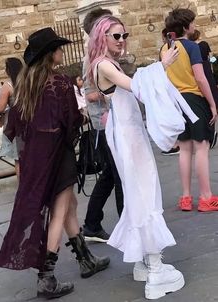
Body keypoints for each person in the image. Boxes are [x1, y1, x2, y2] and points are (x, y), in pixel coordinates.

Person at [0, 27, 110, 300]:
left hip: (37, 157)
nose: (61, 51)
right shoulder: (59, 83)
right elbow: (70, 121)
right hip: (60, 157)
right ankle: (46, 277)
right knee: (59, 212)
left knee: (70, 206)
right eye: (57, 48)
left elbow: (14, 125)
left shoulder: (26, 83)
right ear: (50, 54)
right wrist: (80, 120)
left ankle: (85, 259)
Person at [87, 15, 185, 300]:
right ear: (102, 37)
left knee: (137, 194)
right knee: (143, 193)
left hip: (127, 132)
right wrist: (162, 65)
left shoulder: (105, 63)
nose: (122, 40)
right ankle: (155, 269)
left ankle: (145, 262)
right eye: (116, 36)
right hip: (128, 137)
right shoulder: (103, 64)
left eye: (124, 34)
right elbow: (135, 86)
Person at [161, 8, 218, 212]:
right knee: (201, 147)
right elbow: (201, 78)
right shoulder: (191, 47)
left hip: (176, 101)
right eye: (191, 23)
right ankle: (206, 197)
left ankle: (185, 197)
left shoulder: (164, 49)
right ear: (185, 26)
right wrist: (212, 104)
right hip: (193, 99)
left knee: (184, 149)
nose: (194, 26)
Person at [82, 8, 124, 243]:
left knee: (110, 174)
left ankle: (92, 224)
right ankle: (124, 225)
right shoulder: (94, 60)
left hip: (110, 122)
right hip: (104, 123)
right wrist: (114, 90)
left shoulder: (103, 57)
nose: (119, 39)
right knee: (118, 177)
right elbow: (90, 95)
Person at [0, 57, 23, 178]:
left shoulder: (8, 85)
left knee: (18, 158)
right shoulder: (27, 81)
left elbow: (0, 108)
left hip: (16, 124)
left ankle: (23, 187)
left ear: (9, 70)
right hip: (30, 120)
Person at [188, 29, 218, 149]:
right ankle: (212, 129)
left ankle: (208, 131)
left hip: (197, 72)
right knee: (212, 99)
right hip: (207, 72)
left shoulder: (190, 47)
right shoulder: (204, 44)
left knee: (203, 102)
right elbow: (211, 59)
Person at [160, 29, 180, 156]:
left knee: (170, 117)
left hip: (171, 86)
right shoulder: (184, 45)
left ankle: (174, 144)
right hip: (182, 86)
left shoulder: (164, 48)